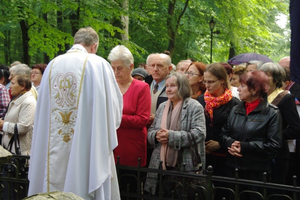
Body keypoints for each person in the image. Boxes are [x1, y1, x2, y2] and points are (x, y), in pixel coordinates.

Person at [28, 27, 123, 200]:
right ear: (94, 46)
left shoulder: (52, 64)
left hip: (53, 140)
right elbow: (113, 107)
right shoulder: (98, 63)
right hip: (87, 140)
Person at [219, 70, 282, 199]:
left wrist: (245, 146)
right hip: (233, 168)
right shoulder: (235, 109)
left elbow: (274, 145)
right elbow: (223, 134)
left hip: (256, 171)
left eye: (242, 86)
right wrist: (231, 143)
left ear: (254, 90)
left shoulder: (272, 113)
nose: (238, 89)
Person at [144, 72, 206, 198]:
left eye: (173, 86)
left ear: (182, 87)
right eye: (167, 86)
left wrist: (170, 136)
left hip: (185, 165)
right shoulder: (162, 107)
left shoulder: (194, 106)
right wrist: (156, 136)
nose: (169, 89)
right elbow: (150, 131)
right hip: (160, 165)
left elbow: (200, 133)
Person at [196, 63, 239, 199]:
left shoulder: (234, 103)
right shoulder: (201, 100)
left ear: (222, 80)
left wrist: (220, 143)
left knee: (222, 192)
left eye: (211, 82)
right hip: (203, 154)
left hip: (224, 157)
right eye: (205, 81)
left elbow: (237, 130)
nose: (207, 85)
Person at [108, 45, 151, 167]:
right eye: (113, 68)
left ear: (131, 66)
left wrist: (114, 118)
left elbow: (143, 119)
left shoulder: (141, 87)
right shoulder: (108, 86)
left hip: (130, 147)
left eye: (120, 68)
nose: (116, 72)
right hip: (109, 146)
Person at [259, 62, 300, 185]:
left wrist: (275, 135)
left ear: (276, 79)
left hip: (277, 155)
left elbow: (296, 129)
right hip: (259, 152)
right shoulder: (258, 97)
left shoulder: (285, 98)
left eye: (267, 75)